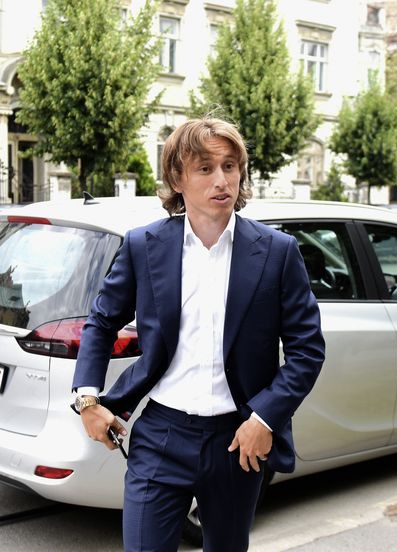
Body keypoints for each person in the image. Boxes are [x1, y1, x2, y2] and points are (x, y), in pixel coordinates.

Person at [71, 116, 325, 551]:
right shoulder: (143, 245)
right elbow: (101, 321)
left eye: (229, 166)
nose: (221, 180)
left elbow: (307, 350)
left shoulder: (277, 252)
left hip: (237, 440)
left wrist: (265, 418)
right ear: (177, 178)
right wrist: (87, 399)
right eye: (205, 168)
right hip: (161, 437)